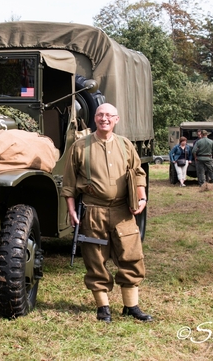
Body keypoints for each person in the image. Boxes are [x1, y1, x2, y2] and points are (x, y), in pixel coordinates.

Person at [61, 103, 152, 323]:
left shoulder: (126, 145)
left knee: (131, 256)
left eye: (109, 115)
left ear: (117, 119)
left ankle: (131, 307)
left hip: (123, 211)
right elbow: (69, 183)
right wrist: (72, 210)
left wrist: (142, 197)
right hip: (93, 212)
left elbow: (138, 173)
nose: (105, 119)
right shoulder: (80, 146)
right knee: (95, 260)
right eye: (101, 115)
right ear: (95, 118)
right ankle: (103, 308)